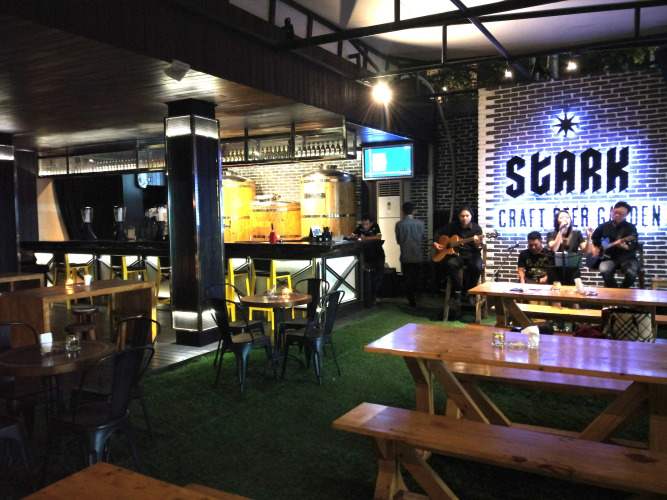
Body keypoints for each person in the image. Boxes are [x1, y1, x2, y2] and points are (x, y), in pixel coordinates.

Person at [433, 205, 482, 304]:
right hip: (458, 255)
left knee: (477, 266)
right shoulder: (453, 226)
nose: (464, 218)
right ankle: (458, 291)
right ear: (459, 216)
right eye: (462, 216)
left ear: (471, 216)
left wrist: (477, 243)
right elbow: (438, 232)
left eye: (467, 216)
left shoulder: (477, 229)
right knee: (450, 264)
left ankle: (470, 293)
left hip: (472, 255)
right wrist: (435, 243)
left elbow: (478, 247)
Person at [590, 201, 639, 288]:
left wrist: (624, 246)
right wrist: (595, 247)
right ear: (612, 211)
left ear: (626, 215)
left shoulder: (630, 227)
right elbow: (595, 238)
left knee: (631, 273)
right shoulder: (603, 226)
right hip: (608, 258)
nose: (617, 215)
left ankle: (622, 291)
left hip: (627, 258)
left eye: (621, 214)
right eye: (616, 212)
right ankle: (616, 292)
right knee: (604, 270)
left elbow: (634, 245)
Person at [546, 209, 593, 285]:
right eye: (562, 217)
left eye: (567, 217)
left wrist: (589, 237)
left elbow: (587, 250)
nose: (565, 219)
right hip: (555, 271)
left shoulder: (577, 234)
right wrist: (560, 231)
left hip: (572, 271)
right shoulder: (551, 234)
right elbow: (554, 248)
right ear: (557, 221)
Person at [395, 202, 425, 308]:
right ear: (413, 211)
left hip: (405, 255)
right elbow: (423, 237)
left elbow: (398, 240)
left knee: (407, 279)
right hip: (417, 255)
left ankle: (411, 301)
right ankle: (419, 298)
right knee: (418, 278)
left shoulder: (399, 224)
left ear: (402, 211)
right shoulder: (420, 223)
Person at [351, 214, 385, 304]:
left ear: (371, 223)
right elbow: (352, 235)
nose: (365, 226)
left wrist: (365, 238)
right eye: (363, 224)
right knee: (369, 276)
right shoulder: (360, 228)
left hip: (378, 255)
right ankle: (369, 296)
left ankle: (377, 296)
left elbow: (378, 237)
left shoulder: (375, 227)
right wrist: (357, 237)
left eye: (367, 224)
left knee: (379, 275)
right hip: (367, 256)